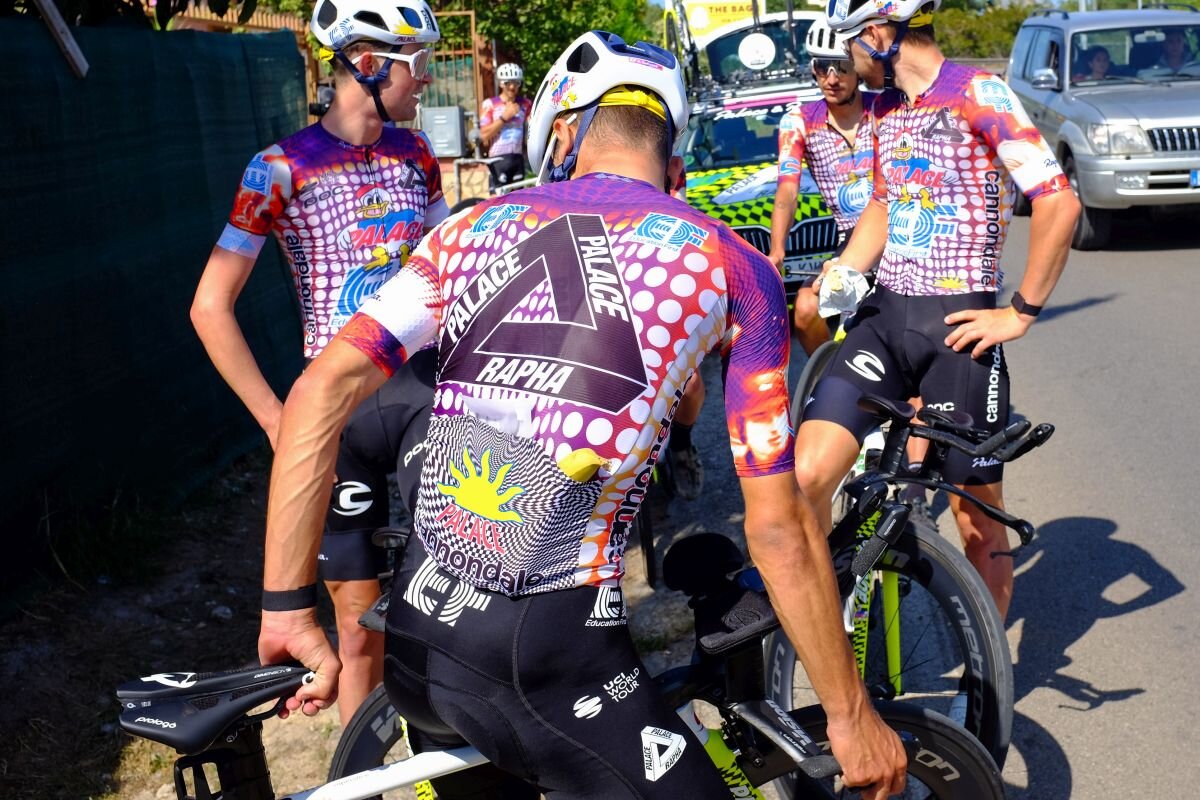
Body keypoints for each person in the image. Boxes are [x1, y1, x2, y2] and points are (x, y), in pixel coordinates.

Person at [256, 29, 907, 800]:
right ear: (673, 162)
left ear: (566, 143)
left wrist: (286, 607)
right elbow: (776, 525)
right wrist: (850, 714)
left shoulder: (467, 228)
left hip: (415, 641)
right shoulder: (733, 265)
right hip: (547, 659)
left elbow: (319, 391)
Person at [190, 0, 449, 727]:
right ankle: (361, 771)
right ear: (367, 65)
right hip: (338, 413)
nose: (427, 78)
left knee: (446, 611)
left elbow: (448, 273)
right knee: (359, 635)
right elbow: (209, 307)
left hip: (423, 395)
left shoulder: (417, 155)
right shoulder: (277, 168)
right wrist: (280, 423)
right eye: (418, 62)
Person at [796, 0, 1080, 621]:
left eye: (850, 45)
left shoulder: (978, 93)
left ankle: (986, 672)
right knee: (808, 476)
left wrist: (1020, 313)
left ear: (878, 34)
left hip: (958, 333)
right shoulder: (886, 108)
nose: (847, 61)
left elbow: (1058, 202)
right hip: (883, 321)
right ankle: (821, 632)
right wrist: (845, 269)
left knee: (977, 524)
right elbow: (883, 202)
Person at [769, 17, 877, 356]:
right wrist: (777, 250)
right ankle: (831, 374)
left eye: (841, 67)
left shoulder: (884, 109)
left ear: (858, 68)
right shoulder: (799, 121)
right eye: (822, 68)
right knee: (804, 309)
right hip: (849, 240)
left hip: (895, 230)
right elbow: (788, 189)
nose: (831, 79)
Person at [478, 62, 533, 189]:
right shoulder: (490, 104)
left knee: (518, 199)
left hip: (518, 158)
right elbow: (483, 135)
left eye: (516, 83)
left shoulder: (525, 104)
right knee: (497, 199)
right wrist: (504, 117)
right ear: (501, 84)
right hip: (498, 160)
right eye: (508, 83)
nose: (512, 87)